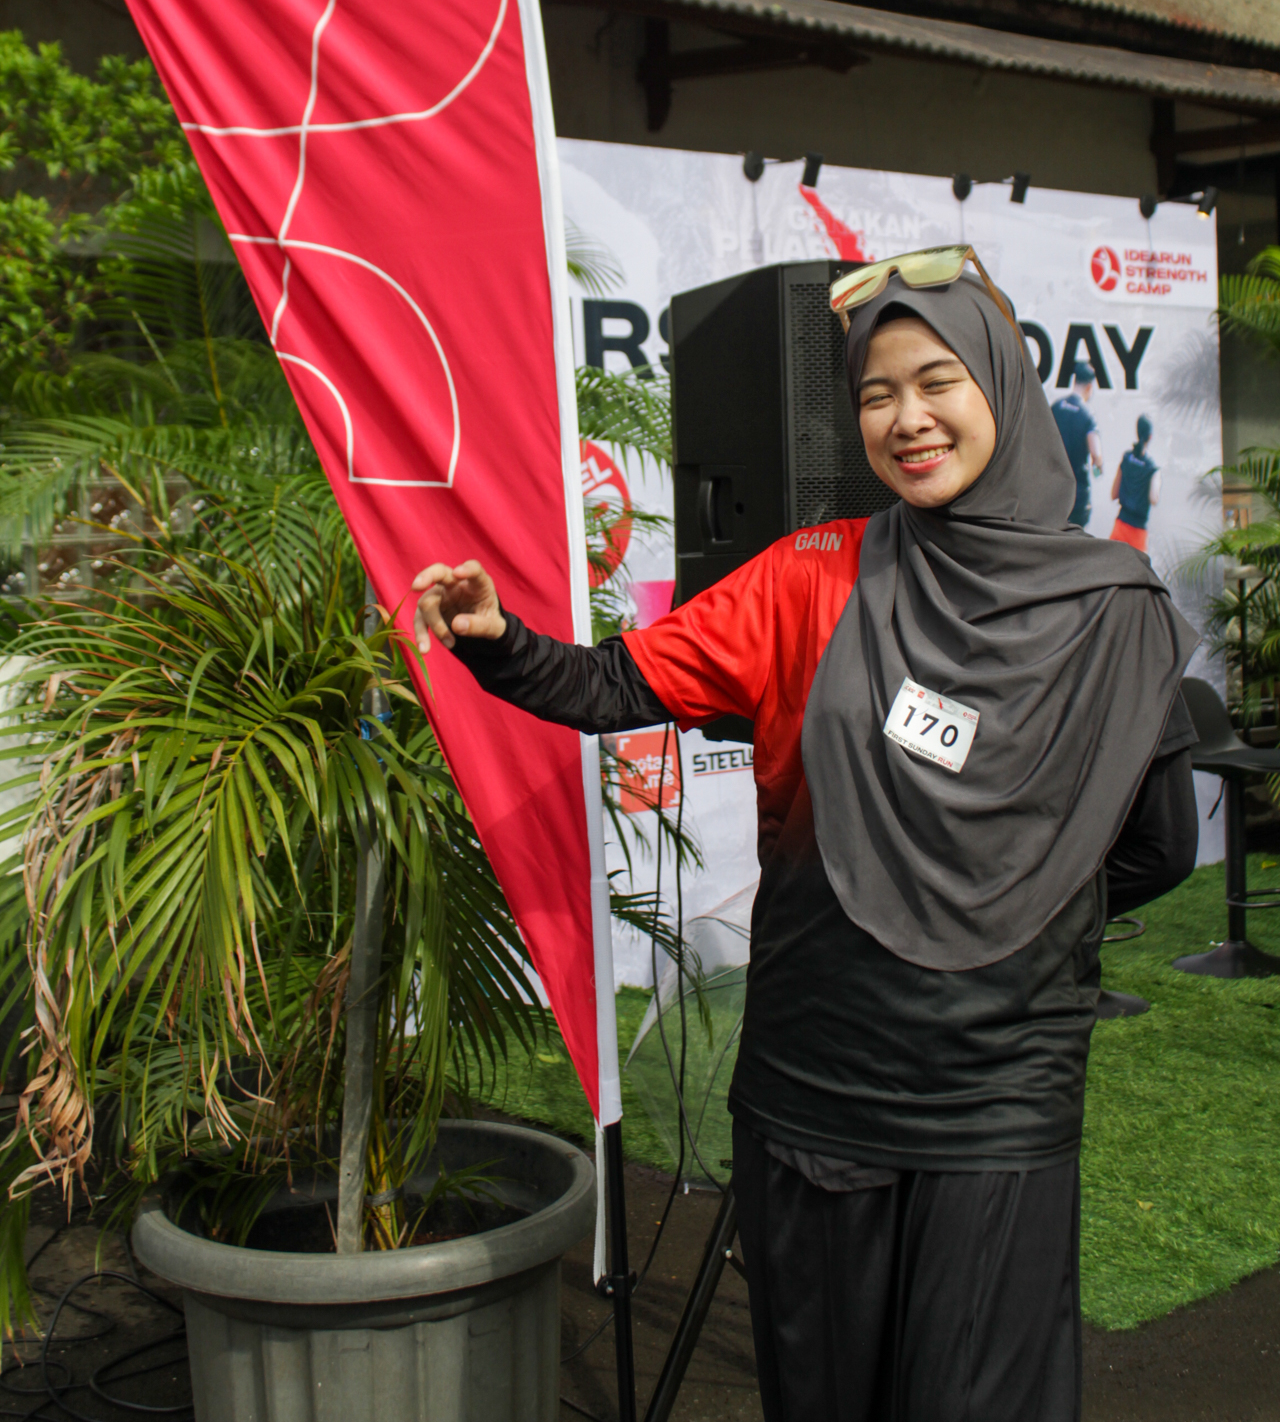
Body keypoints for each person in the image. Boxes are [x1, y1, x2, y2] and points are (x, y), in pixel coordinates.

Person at [413, 251, 1198, 1422]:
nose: (906, 418)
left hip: (996, 1088)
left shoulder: (1110, 612)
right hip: (817, 1078)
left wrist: (992, 916)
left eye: (935, 382)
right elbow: (610, 685)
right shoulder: (810, 576)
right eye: (876, 394)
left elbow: (1152, 848)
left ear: (998, 383)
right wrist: (495, 639)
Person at [1051, 361, 1103, 528]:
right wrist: (1098, 468)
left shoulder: (1055, 407)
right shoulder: (1087, 415)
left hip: (1054, 490)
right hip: (1077, 494)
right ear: (1089, 387)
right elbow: (1096, 454)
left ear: (1075, 380)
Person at [1111, 415, 1160, 551]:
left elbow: (1114, 494)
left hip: (1120, 526)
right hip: (1138, 533)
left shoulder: (1126, 458)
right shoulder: (1152, 468)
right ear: (1150, 437)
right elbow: (1153, 499)